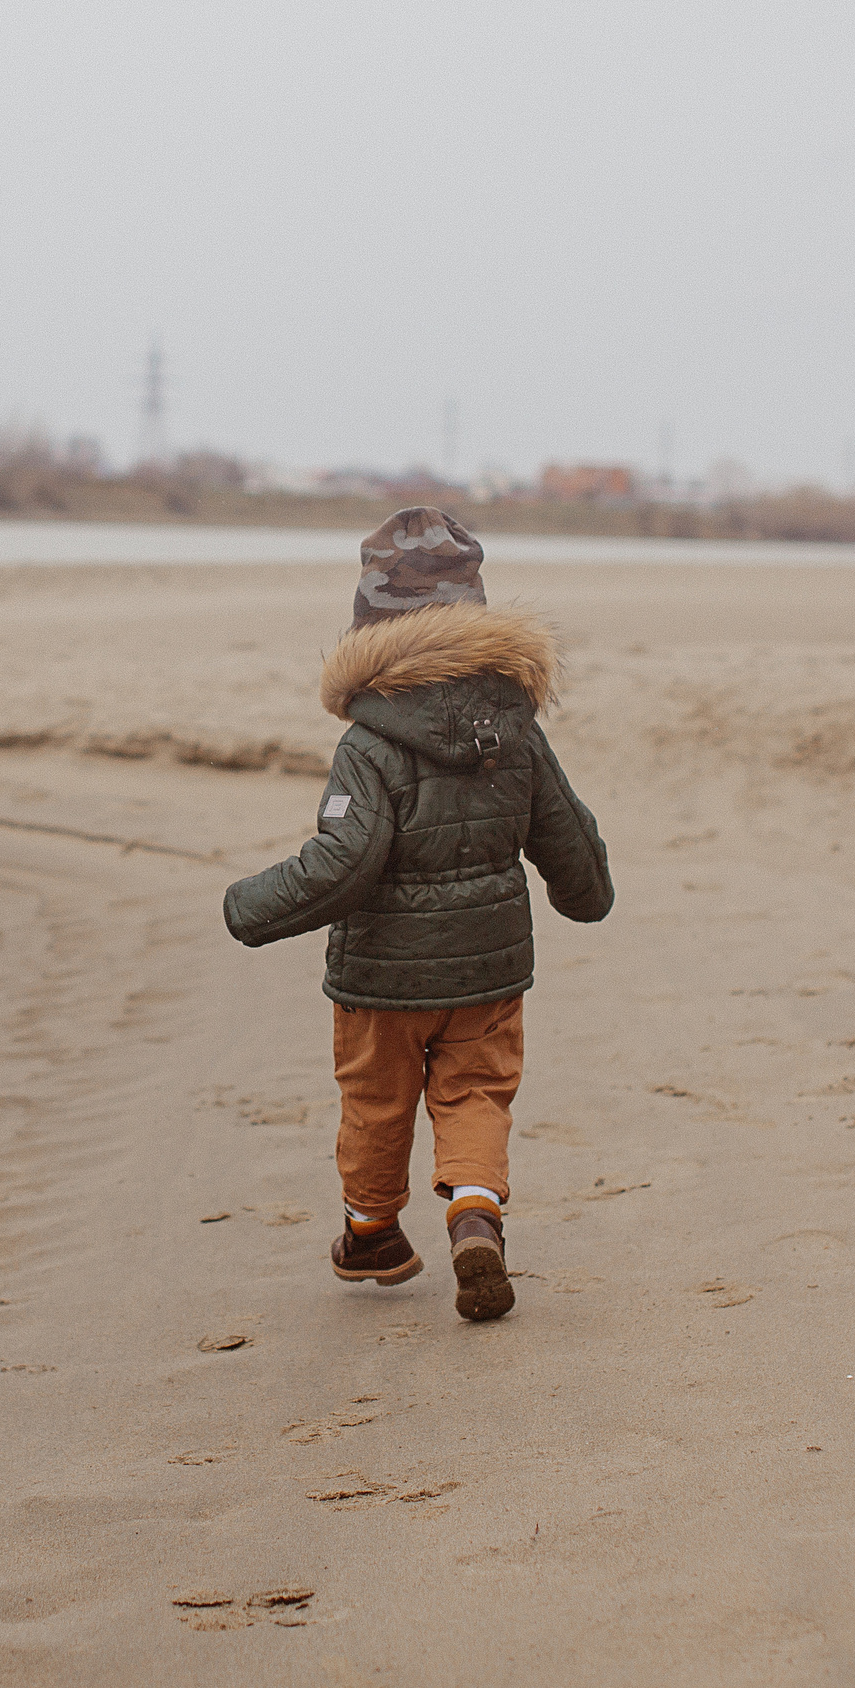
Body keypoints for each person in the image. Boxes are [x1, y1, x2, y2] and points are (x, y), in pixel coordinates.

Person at [220, 507, 613, 1322]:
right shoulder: (515, 730)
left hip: (381, 979)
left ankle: (372, 1234)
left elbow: (346, 860)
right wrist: (586, 896)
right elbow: (566, 833)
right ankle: (476, 1215)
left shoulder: (369, 743)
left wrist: (250, 907)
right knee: (477, 1092)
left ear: (370, 628)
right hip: (489, 968)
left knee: (376, 1100)